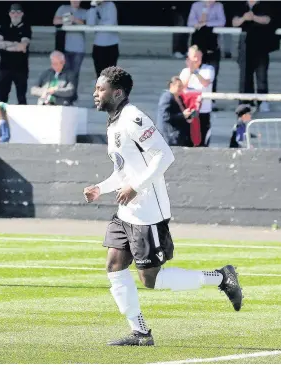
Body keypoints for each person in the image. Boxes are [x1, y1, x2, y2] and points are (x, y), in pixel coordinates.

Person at [83, 66, 243, 346]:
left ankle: (220, 277)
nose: (95, 93)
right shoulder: (114, 122)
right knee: (114, 265)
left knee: (150, 280)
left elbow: (165, 155)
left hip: (147, 212)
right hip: (126, 211)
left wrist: (136, 187)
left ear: (117, 92)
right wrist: (101, 188)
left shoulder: (134, 118)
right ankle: (141, 332)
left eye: (101, 89)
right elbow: (123, 171)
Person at [233, 0, 274, 112]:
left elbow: (267, 19)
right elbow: (234, 22)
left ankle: (263, 101)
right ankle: (246, 102)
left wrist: (253, 17)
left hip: (261, 45)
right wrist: (244, 18)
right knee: (245, 76)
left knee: (261, 75)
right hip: (245, 46)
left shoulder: (264, 4)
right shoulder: (241, 5)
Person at [0, 3, 32, 105]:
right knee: (2, 98)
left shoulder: (26, 27)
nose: (15, 14)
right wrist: (14, 44)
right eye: (13, 12)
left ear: (22, 14)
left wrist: (5, 45)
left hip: (21, 68)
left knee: (21, 97)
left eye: (18, 12)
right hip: (4, 67)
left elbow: (23, 46)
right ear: (10, 14)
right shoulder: (4, 26)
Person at [188, 0, 226, 97]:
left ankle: (212, 98)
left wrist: (205, 23)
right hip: (198, 45)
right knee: (195, 71)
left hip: (212, 45)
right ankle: (193, 96)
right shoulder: (196, 5)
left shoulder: (218, 6)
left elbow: (222, 22)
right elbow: (190, 22)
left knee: (212, 73)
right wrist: (198, 23)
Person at [179, 45, 215, 146]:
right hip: (189, 110)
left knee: (202, 140)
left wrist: (195, 72)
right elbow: (182, 87)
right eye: (194, 57)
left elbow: (205, 83)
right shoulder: (184, 71)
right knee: (188, 139)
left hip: (203, 111)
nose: (196, 60)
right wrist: (190, 71)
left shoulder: (208, 69)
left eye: (199, 57)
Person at [53, 0, 87, 103]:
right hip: (65, 47)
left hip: (79, 48)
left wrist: (74, 19)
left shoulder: (84, 12)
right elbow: (55, 21)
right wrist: (67, 19)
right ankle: (65, 95)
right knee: (65, 73)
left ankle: (72, 96)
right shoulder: (63, 8)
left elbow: (86, 24)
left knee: (75, 73)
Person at [157, 76, 195, 147]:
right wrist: (183, 115)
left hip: (180, 135)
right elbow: (165, 116)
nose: (181, 89)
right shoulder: (167, 97)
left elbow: (181, 113)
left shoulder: (179, 98)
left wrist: (188, 116)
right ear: (171, 85)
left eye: (182, 86)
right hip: (170, 135)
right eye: (179, 86)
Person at [87, 0, 119, 78]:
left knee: (110, 77)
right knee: (100, 76)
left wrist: (98, 25)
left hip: (111, 45)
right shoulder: (93, 8)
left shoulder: (111, 5)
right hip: (98, 46)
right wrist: (93, 7)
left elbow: (111, 23)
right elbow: (90, 24)